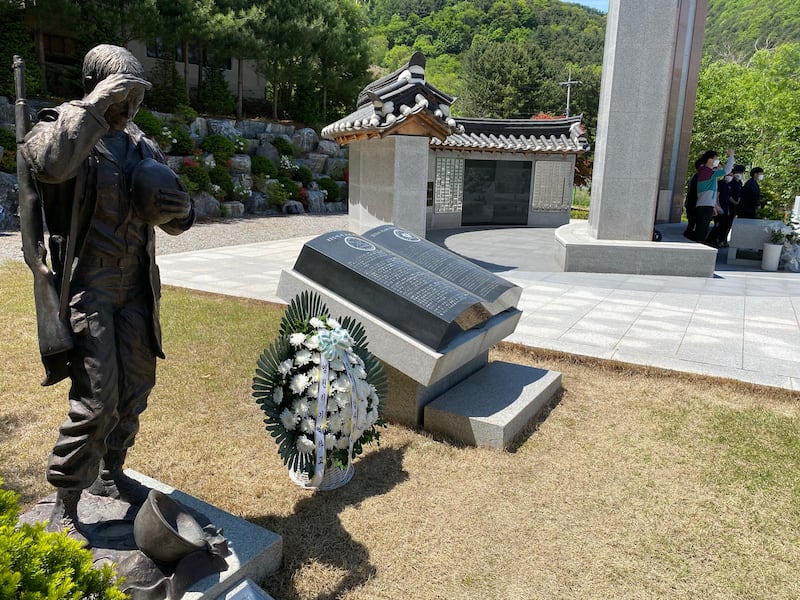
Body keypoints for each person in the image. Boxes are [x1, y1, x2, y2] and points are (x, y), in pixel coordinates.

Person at [19, 44, 194, 542]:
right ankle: (66, 502)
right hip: (88, 285)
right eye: (122, 95)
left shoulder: (141, 145)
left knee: (135, 389)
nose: (130, 107)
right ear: (97, 88)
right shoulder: (61, 128)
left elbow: (178, 212)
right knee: (96, 400)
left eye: (136, 97)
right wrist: (94, 108)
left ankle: (112, 472)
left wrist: (181, 210)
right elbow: (50, 166)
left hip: (136, 287)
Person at [693, 148, 734, 244]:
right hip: (705, 205)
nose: (717, 161)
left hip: (705, 204)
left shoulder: (705, 172)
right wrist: (731, 156)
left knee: (702, 228)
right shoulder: (707, 172)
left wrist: (714, 206)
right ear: (710, 160)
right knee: (702, 231)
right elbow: (726, 170)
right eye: (715, 158)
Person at [682, 158, 703, 239]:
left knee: (692, 224)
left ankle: (689, 235)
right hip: (693, 204)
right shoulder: (697, 177)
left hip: (691, 204)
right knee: (692, 224)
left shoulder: (695, 176)